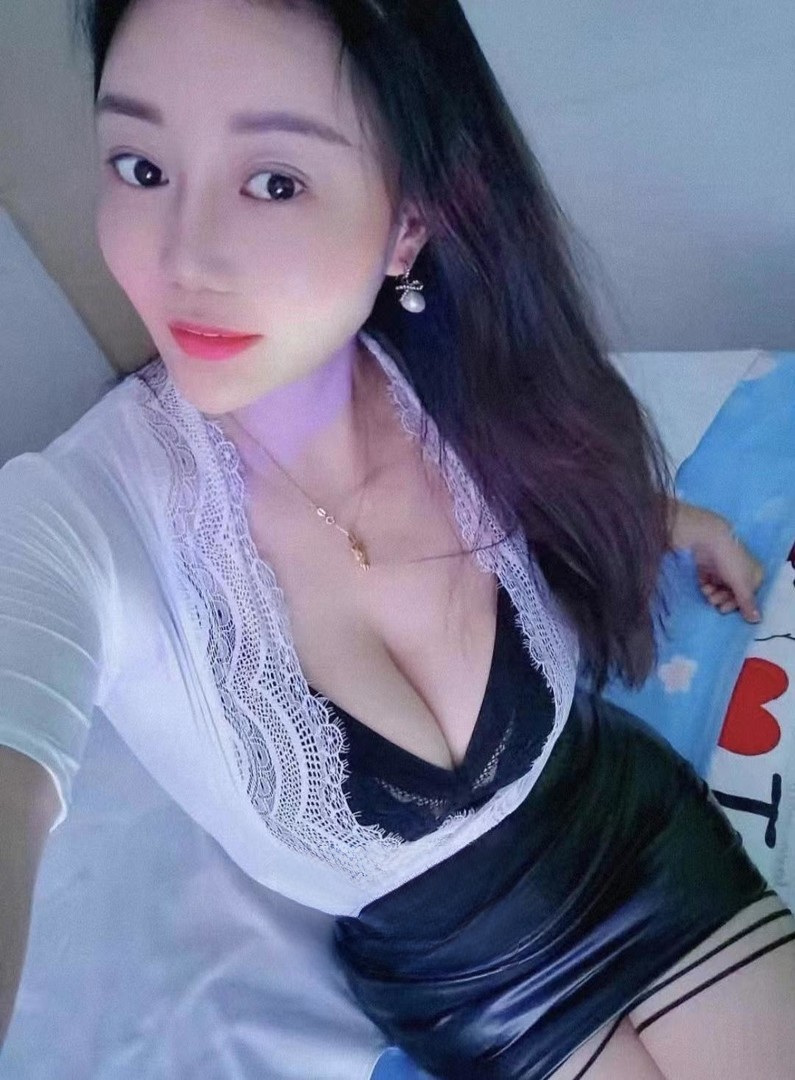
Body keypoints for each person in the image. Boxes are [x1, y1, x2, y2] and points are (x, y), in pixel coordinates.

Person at [1, 0, 792, 1076]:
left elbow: (553, 467)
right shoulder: (73, 521)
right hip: (474, 984)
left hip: (637, 837)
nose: (182, 255)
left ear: (407, 225)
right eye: (141, 168)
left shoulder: (457, 373)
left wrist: (671, 520)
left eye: (274, 181)